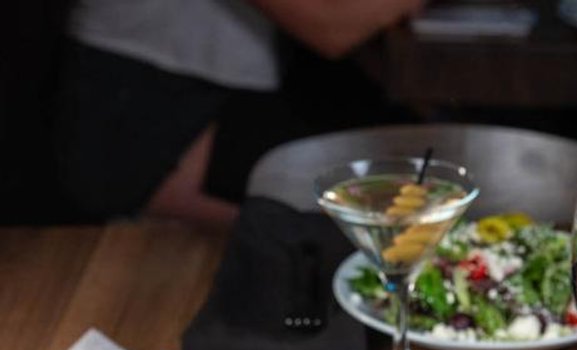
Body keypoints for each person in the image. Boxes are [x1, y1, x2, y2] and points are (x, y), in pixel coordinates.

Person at [51, 0, 425, 227]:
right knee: (389, 202)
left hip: (219, 96)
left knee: (418, 172)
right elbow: (329, 25)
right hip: (144, 116)